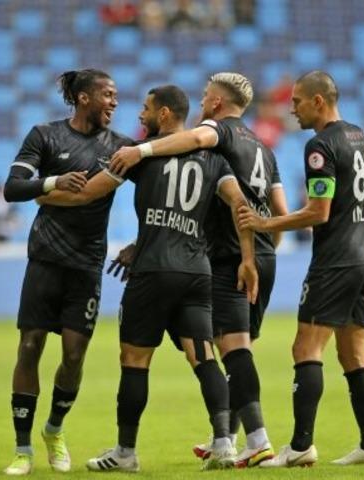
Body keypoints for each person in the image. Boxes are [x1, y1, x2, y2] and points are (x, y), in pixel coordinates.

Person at [37, 84, 260, 472]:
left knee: (135, 360)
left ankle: (126, 452)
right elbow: (240, 204)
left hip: (154, 272)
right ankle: (224, 442)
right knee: (204, 356)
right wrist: (247, 258)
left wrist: (43, 193)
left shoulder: (140, 156)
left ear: (164, 114)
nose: (139, 116)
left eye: (146, 109)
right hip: (196, 271)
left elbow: (88, 193)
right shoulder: (214, 160)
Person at [109, 72, 289, 468]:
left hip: (228, 257)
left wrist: (141, 152)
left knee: (232, 351)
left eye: (208, 96)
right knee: (236, 351)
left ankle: (253, 439)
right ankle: (225, 438)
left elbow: (193, 141)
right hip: (263, 254)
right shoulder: (264, 148)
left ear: (218, 104)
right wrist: (260, 252)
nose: (204, 102)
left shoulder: (218, 133)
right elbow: (282, 213)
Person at [237, 70, 364, 468]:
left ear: (318, 101)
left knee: (305, 348)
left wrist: (265, 223)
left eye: (298, 102)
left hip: (336, 261)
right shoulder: (359, 136)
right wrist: (350, 209)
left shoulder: (320, 146)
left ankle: (301, 446)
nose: (293, 109)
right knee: (354, 354)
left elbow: (317, 213)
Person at [0, 68, 134, 476]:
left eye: (116, 95)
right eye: (107, 94)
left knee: (74, 355)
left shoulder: (119, 147)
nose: (114, 101)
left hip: (87, 265)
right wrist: (54, 183)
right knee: (29, 347)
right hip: (45, 259)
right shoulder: (44, 136)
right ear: (83, 98)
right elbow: (12, 189)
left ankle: (54, 430)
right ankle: (23, 450)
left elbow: (157, 184)